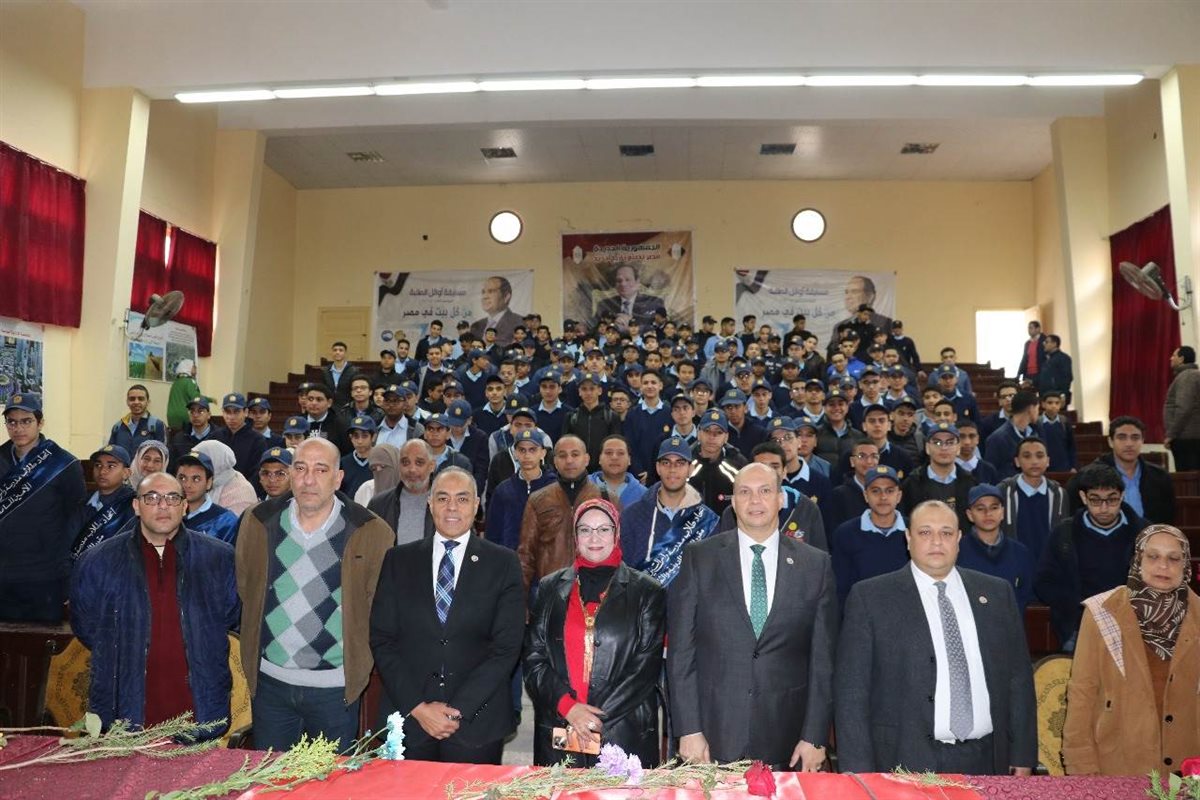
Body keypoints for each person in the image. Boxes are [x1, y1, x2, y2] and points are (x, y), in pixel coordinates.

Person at [835, 500, 1036, 775]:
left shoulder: (997, 593)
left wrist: (1023, 754)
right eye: (925, 532)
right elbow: (852, 692)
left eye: (946, 532)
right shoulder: (870, 598)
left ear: (959, 538)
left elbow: (1018, 678)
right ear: (908, 538)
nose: (937, 541)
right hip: (902, 762)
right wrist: (858, 771)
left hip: (988, 759)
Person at [668, 463, 837, 769]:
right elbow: (681, 652)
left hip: (788, 735)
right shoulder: (699, 558)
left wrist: (815, 737)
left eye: (765, 491)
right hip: (712, 733)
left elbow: (823, 660)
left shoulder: (815, 565)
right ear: (733, 502)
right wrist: (688, 728)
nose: (755, 500)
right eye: (744, 492)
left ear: (781, 499)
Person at [236, 437, 393, 751]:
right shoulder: (258, 522)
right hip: (270, 686)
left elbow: (379, 607)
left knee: (329, 777)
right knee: (271, 776)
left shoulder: (371, 532)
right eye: (300, 468)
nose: (308, 479)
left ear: (338, 478)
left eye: (321, 470)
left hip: (334, 689)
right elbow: (246, 586)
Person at [370, 467, 525, 763]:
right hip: (409, 720)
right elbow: (382, 640)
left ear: (476, 505)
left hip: (477, 723)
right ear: (430, 503)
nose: (452, 507)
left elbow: (506, 648)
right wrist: (418, 708)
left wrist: (457, 710)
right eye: (442, 498)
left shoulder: (503, 563)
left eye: (462, 499)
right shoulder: (398, 560)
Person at [69, 472, 239, 738]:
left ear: (184, 506)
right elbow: (86, 626)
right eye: (152, 498)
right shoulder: (97, 561)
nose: (163, 505)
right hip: (123, 710)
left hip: (198, 708)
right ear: (136, 505)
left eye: (172, 498)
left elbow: (231, 615)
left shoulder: (219, 559)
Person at [523, 498, 666, 766]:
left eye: (603, 529)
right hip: (561, 727)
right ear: (575, 537)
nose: (594, 538)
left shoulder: (647, 591)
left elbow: (645, 670)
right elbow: (534, 659)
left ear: (617, 533)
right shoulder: (550, 588)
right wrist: (569, 708)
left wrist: (593, 719)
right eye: (585, 530)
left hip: (623, 732)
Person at [1062, 524, 1200, 776]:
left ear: (1186, 565)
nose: (1163, 566)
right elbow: (1082, 693)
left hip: (1189, 769)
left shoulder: (1198, 615)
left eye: (1173, 558)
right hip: (1117, 765)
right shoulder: (1102, 612)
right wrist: (1081, 765)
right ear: (1138, 560)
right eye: (1153, 556)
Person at [1037, 463, 1150, 652]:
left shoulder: (1144, 532)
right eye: (1095, 500)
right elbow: (1044, 583)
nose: (1104, 508)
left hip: (1131, 624)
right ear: (1083, 497)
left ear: (1122, 495)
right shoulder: (1064, 534)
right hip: (1078, 625)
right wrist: (1079, 604)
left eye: (1111, 499)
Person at [0, 393, 87, 622]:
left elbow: (77, 520)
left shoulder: (63, 464)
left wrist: (68, 573)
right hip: (4, 575)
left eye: (26, 421)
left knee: (44, 641)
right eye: (12, 422)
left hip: (45, 577)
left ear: (40, 423)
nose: (18, 428)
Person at [621, 437, 720, 587]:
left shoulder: (708, 521)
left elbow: (712, 576)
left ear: (690, 469)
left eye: (680, 463)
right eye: (666, 463)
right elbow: (623, 573)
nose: (672, 469)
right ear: (658, 468)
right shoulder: (631, 516)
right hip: (644, 601)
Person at [518, 435, 602, 595]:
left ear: (586, 459)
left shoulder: (606, 499)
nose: (569, 460)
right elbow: (525, 556)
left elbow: (619, 552)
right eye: (563, 456)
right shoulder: (538, 500)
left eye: (575, 454)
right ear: (555, 462)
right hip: (551, 595)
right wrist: (519, 600)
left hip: (595, 595)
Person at [719, 441, 828, 552]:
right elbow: (724, 552)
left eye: (775, 467)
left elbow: (820, 555)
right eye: (762, 467)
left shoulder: (807, 508)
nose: (768, 472)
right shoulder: (734, 511)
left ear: (784, 471)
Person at [1067, 416, 1175, 524]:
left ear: (1142, 441)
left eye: (1135, 438)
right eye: (1122, 437)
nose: (1129, 444)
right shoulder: (1086, 477)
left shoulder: (1160, 477)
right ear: (1110, 441)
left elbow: (1168, 521)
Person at [833, 466, 909, 607]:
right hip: (862, 613)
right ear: (866, 496)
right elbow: (841, 587)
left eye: (889, 491)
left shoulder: (913, 531)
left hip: (906, 611)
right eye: (875, 491)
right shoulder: (845, 533)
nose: (883, 497)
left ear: (899, 496)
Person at [956, 484, 1036, 611]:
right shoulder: (957, 551)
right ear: (970, 515)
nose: (988, 513)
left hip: (1010, 621)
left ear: (1002, 512)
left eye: (994, 508)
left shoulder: (1020, 553)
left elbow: (1027, 595)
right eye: (980, 509)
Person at [996, 436, 1069, 564]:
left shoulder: (1059, 494)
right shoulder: (1003, 491)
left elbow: (1063, 535)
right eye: (1027, 456)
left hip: (1049, 565)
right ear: (1017, 461)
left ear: (1048, 461)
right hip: (1014, 563)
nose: (1034, 461)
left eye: (1040, 456)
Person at [900, 422, 977, 533]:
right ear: (927, 447)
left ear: (958, 448)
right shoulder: (912, 483)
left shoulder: (970, 483)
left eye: (950, 442)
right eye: (937, 442)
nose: (944, 448)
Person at [486, 430, 556, 551]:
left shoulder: (555, 488)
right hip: (510, 557)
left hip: (547, 557)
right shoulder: (503, 490)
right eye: (522, 450)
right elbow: (493, 532)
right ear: (515, 454)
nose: (527, 455)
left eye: (532, 450)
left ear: (543, 453)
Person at [367, 439, 438, 544]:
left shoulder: (445, 503)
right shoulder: (379, 504)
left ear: (432, 466)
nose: (412, 469)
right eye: (405, 462)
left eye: (419, 463)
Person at [72, 445, 137, 558]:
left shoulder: (133, 505)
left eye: (111, 466)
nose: (102, 471)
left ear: (126, 473)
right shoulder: (82, 503)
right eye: (98, 465)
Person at [688, 409, 748, 517]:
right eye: (707, 431)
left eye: (719, 432)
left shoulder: (738, 465)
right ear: (698, 433)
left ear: (726, 437)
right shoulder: (685, 463)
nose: (712, 437)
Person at [177, 449, 241, 544]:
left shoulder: (225, 521)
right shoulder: (166, 513)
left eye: (196, 479)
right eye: (182, 478)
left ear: (209, 482)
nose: (187, 484)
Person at [563, 371, 623, 473]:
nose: (588, 393)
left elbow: (615, 446)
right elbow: (566, 445)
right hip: (577, 470)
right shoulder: (571, 417)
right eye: (584, 389)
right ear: (579, 392)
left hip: (603, 471)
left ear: (599, 390)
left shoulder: (611, 416)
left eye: (592, 388)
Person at [983, 390, 1040, 481]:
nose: (1038, 413)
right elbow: (989, 473)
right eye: (1037, 408)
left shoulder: (1034, 433)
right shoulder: (997, 438)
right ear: (1031, 408)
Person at [195, 439, 258, 516]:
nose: (194, 469)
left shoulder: (240, 492)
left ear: (216, 461)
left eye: (200, 463)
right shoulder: (204, 482)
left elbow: (234, 523)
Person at [167, 395, 231, 470]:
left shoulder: (220, 437)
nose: (195, 415)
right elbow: (172, 467)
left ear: (209, 415)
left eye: (200, 411)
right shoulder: (179, 438)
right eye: (192, 411)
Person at [596, 263, 665, 332]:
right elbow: (595, 327)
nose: (623, 284)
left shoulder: (654, 302)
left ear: (637, 282)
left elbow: (661, 327)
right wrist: (613, 325)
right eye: (619, 280)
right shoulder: (604, 304)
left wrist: (632, 327)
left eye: (628, 279)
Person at [1164, 345, 1200, 471]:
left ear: (1181, 359)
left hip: (1186, 439)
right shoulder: (1190, 375)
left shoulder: (1187, 376)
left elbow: (1184, 408)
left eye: (1174, 355)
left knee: (1187, 478)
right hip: (1189, 438)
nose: (1171, 358)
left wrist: (1171, 435)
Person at [588, 434, 647, 508]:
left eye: (620, 453)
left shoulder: (644, 495)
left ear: (629, 460)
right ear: (599, 459)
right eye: (609, 453)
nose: (614, 457)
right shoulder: (583, 486)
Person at [108, 384, 167, 453]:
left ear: (148, 402)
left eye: (141, 399)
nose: (136, 402)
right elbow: (111, 454)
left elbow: (163, 454)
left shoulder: (157, 425)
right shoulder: (118, 427)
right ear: (127, 402)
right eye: (132, 399)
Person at [470, 276, 524, 347]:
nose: (485, 297)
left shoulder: (519, 322)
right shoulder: (476, 326)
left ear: (506, 296)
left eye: (491, 291)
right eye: (483, 292)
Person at [339, 414, 377, 499]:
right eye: (356, 436)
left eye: (364, 436)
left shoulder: (380, 461)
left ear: (373, 437)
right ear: (350, 437)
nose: (360, 441)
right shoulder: (343, 462)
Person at [352, 442, 402, 507]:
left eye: (383, 466)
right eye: (374, 468)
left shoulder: (409, 492)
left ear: (396, 465)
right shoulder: (365, 490)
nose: (378, 471)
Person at [1038, 390, 1076, 471]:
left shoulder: (1064, 422)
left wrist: (1073, 466)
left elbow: (1071, 445)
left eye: (1057, 403)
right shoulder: (1037, 423)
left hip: (1063, 465)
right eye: (1050, 403)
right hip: (1043, 466)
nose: (1053, 406)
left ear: (1060, 405)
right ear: (1043, 404)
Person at [166, 359, 201, 433]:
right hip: (184, 417)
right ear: (188, 367)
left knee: (175, 437)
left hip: (171, 417)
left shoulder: (176, 382)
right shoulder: (190, 381)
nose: (196, 368)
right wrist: (210, 399)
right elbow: (196, 398)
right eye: (194, 366)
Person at [321, 341, 361, 407]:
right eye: (335, 350)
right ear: (332, 353)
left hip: (348, 406)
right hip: (329, 407)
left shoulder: (353, 371)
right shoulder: (325, 371)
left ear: (345, 353)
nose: (337, 352)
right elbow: (323, 390)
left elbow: (355, 390)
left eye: (341, 350)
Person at [1039, 334, 1073, 405]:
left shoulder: (1063, 358)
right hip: (1045, 395)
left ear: (1054, 344)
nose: (1044, 344)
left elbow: (1067, 377)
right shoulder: (1046, 360)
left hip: (1057, 396)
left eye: (1046, 342)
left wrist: (1063, 393)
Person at [1016, 320, 1046, 387]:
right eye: (1028, 328)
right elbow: (1024, 359)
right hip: (1028, 374)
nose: (1029, 330)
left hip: (1040, 374)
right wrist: (1019, 374)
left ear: (1038, 329)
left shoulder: (1044, 341)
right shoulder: (1027, 343)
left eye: (1031, 328)